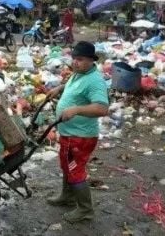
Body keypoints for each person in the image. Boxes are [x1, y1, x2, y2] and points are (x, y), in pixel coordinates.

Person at [45, 41, 109, 223]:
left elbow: (102, 109)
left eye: (80, 59)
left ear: (91, 60)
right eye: (74, 58)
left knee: (75, 169)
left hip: (81, 137)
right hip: (70, 134)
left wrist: (76, 110)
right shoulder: (80, 73)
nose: (75, 62)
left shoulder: (95, 81)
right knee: (67, 165)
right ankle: (67, 197)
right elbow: (74, 86)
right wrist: (59, 88)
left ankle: (85, 209)